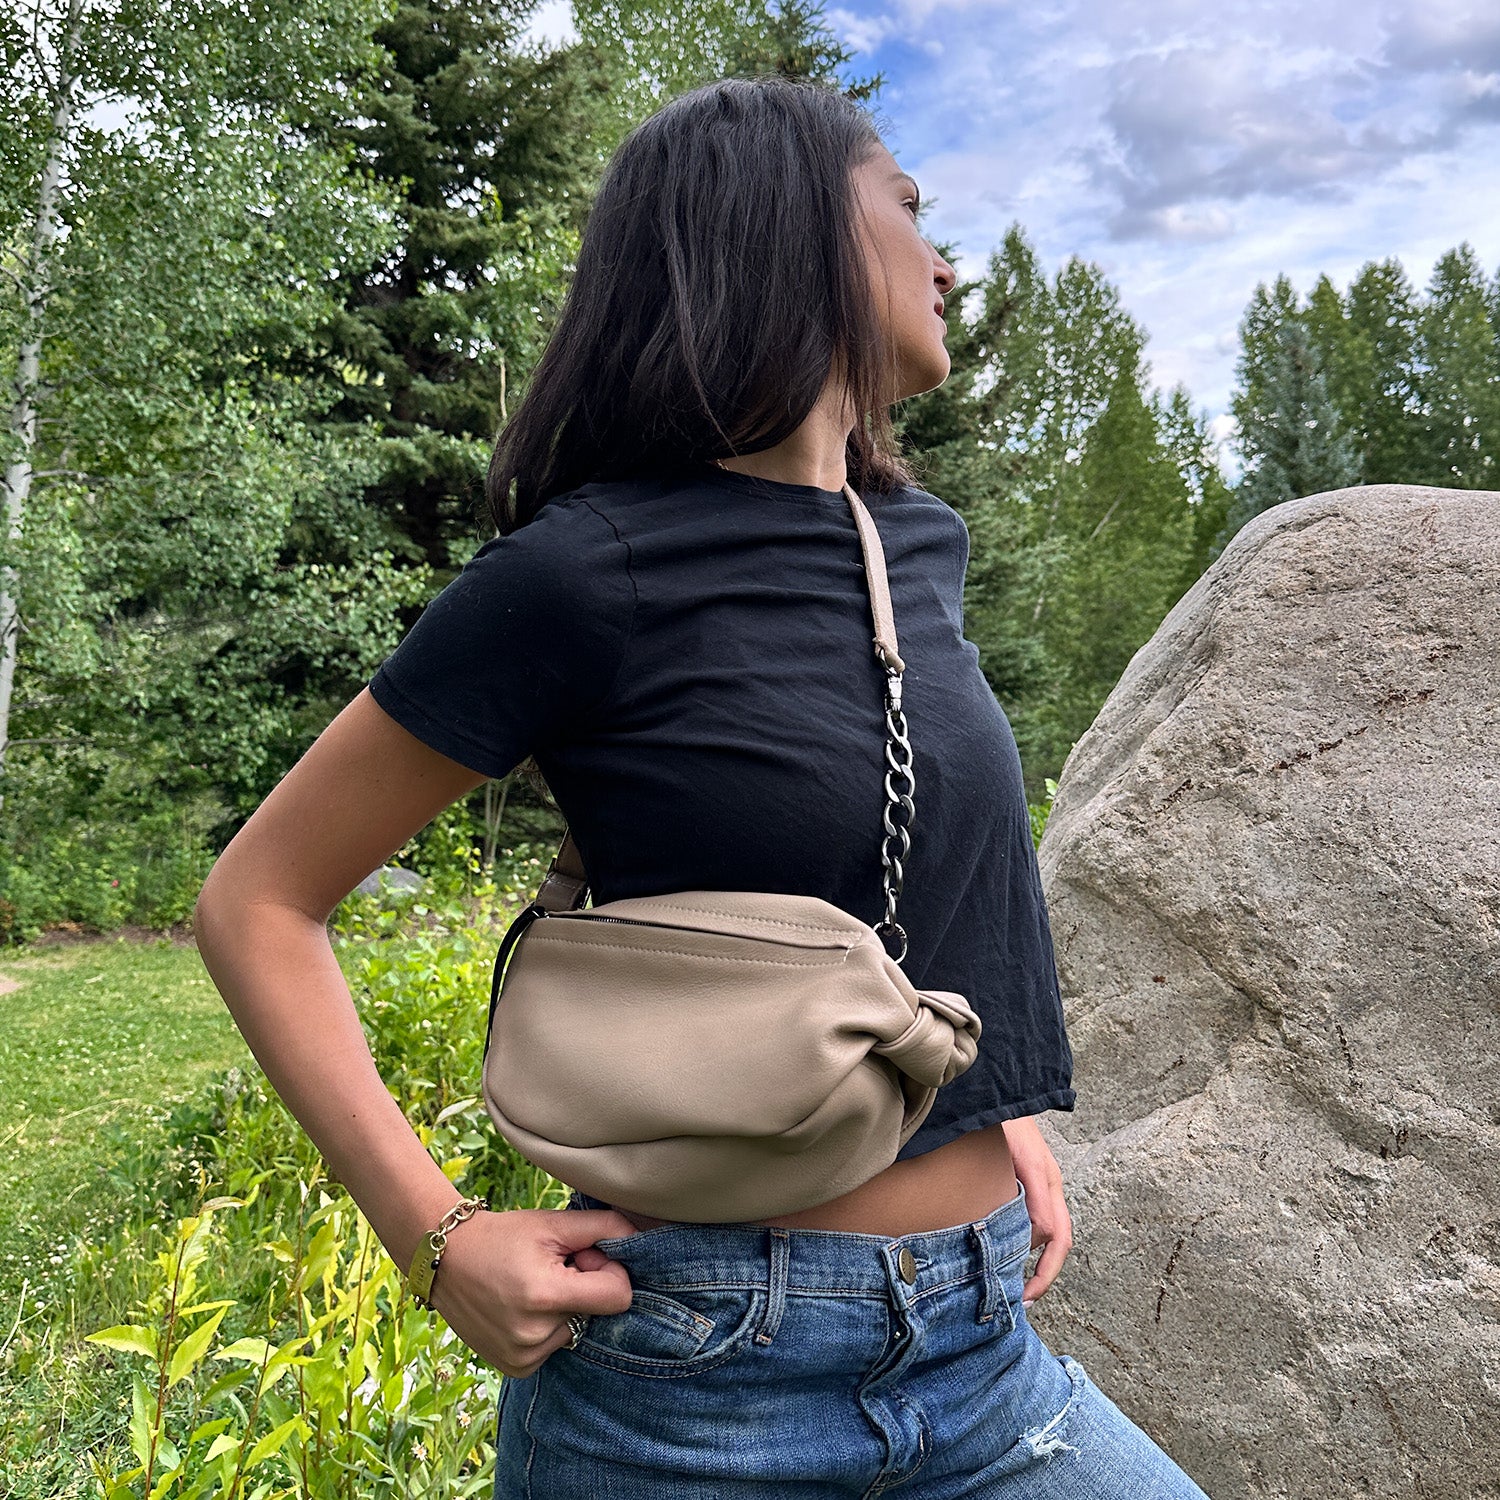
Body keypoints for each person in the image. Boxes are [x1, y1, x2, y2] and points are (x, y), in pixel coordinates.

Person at [194, 74, 1211, 1499]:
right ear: (787, 234)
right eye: (909, 209)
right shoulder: (584, 570)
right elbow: (259, 900)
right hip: (693, 1383)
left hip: (983, 1355)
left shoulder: (908, 541)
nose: (946, 258)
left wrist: (992, 1102)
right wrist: (432, 1238)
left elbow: (917, 867)